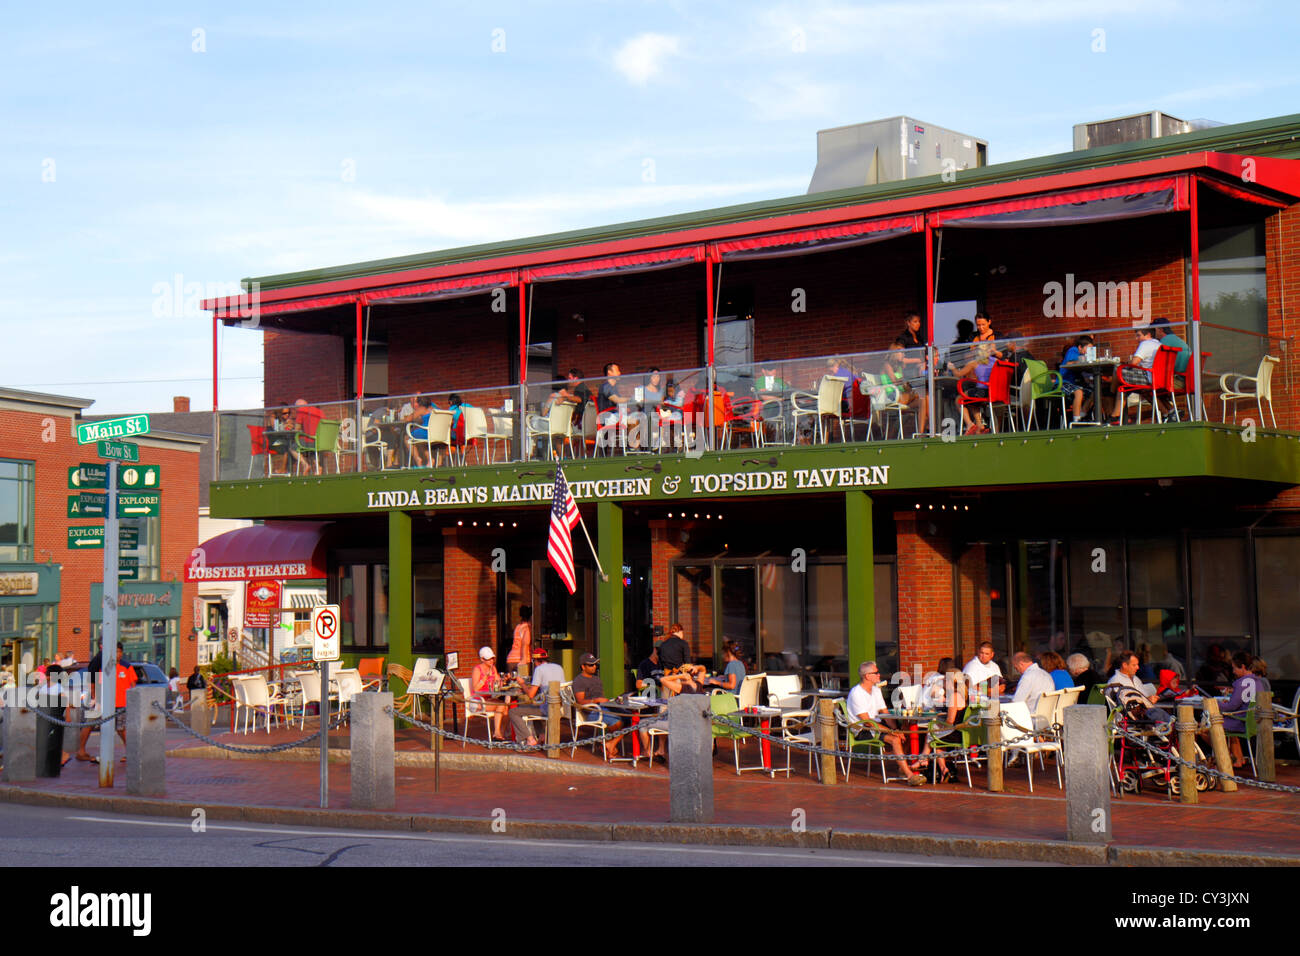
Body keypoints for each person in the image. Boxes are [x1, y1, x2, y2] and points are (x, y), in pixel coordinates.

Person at [846, 661, 924, 785]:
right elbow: (868, 722)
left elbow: (885, 712)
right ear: (867, 676)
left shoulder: (876, 690)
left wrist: (897, 729)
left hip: (875, 726)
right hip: (863, 729)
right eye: (876, 673)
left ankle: (902, 768)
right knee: (895, 739)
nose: (879, 675)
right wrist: (892, 732)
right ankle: (910, 776)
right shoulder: (856, 693)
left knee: (906, 730)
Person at [75, 645, 135, 763]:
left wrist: (132, 699)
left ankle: (130, 752)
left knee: (121, 728)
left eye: (118, 651)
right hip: (101, 701)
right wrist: (94, 696)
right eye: (115, 651)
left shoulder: (126, 666)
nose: (116, 654)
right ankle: (81, 751)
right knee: (90, 723)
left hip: (120, 702)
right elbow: (94, 680)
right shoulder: (101, 663)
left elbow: (132, 684)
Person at [1220, 651, 1268, 768]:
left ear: (1242, 667)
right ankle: (1238, 759)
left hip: (1242, 722)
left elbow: (1231, 707)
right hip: (1254, 721)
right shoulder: (1258, 682)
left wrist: (1214, 703)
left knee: (1208, 727)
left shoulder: (1241, 682)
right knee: (1225, 724)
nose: (1233, 672)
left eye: (1234, 668)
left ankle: (1226, 758)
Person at [508, 648, 566, 746]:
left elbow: (531, 695)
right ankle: (542, 736)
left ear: (536, 661)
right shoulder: (559, 667)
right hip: (562, 708)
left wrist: (522, 684)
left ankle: (529, 739)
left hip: (549, 709)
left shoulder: (539, 669)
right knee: (534, 706)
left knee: (513, 712)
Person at [571, 653, 623, 759]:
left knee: (631, 719)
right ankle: (609, 746)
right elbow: (580, 702)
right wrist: (596, 700)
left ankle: (609, 744)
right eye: (591, 665)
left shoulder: (597, 679)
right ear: (583, 667)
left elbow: (601, 697)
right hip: (591, 712)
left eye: (595, 664)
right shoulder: (579, 681)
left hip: (603, 708)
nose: (594, 666)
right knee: (618, 722)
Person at [1109, 326, 1160, 423]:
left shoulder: (1145, 344)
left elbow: (1134, 363)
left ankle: (1111, 394)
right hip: (1158, 378)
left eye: (1138, 336)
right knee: (1123, 385)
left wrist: (1128, 363)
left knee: (1118, 369)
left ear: (1148, 335)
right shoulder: (1158, 344)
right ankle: (1115, 415)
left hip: (1147, 377)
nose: (1136, 339)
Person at [881, 338, 928, 434]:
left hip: (901, 395)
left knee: (925, 398)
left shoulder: (898, 367)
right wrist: (906, 382)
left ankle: (923, 431)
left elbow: (903, 386)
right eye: (901, 353)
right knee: (923, 395)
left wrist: (908, 385)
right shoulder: (887, 365)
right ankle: (927, 428)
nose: (904, 354)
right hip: (892, 396)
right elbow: (895, 381)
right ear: (894, 353)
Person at [470, 647, 508, 740]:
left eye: (492, 658)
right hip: (478, 700)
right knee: (501, 705)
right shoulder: (477, 669)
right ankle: (497, 733)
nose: (491, 661)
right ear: (482, 659)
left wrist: (504, 680)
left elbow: (498, 683)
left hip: (488, 699)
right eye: (488, 659)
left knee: (506, 707)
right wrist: (485, 677)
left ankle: (500, 734)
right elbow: (476, 688)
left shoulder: (493, 668)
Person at [404, 395, 434, 466]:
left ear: (419, 403)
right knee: (421, 441)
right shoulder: (433, 409)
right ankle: (430, 459)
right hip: (434, 433)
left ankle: (417, 459)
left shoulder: (421, 409)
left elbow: (408, 419)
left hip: (426, 432)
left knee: (407, 438)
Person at [506, 605, 533, 675]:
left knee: (513, 683)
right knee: (523, 683)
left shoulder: (518, 627)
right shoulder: (527, 628)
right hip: (522, 659)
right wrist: (523, 660)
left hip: (511, 658)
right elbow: (525, 644)